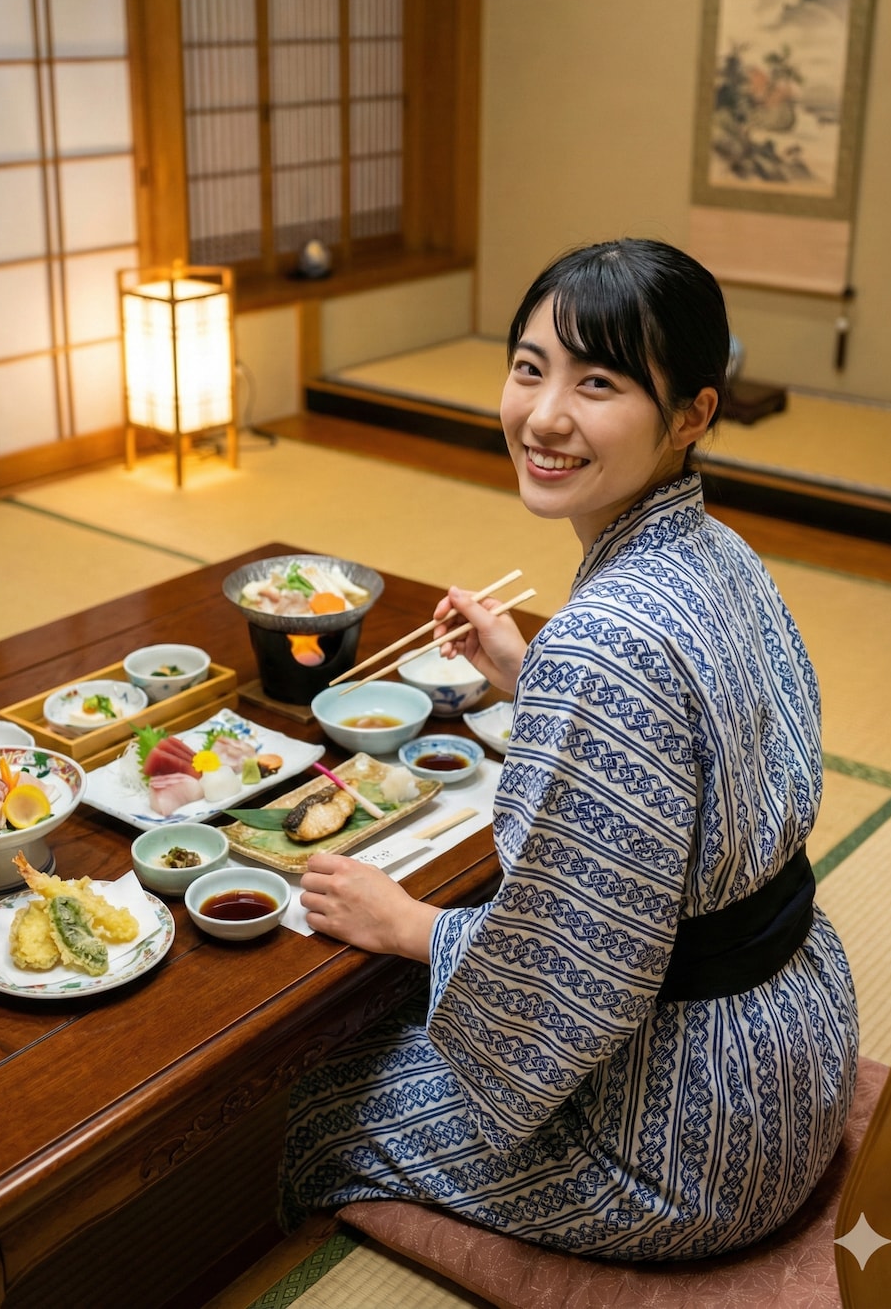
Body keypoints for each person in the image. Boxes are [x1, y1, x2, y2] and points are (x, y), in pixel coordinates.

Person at [282, 238, 858, 1260]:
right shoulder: (710, 548)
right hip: (796, 1047)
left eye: (597, 381)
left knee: (312, 1102)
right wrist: (526, 668)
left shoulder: (603, 642)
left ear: (691, 413)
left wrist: (408, 921)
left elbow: (567, 971)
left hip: (690, 1139)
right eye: (528, 366)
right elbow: (706, 747)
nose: (544, 415)